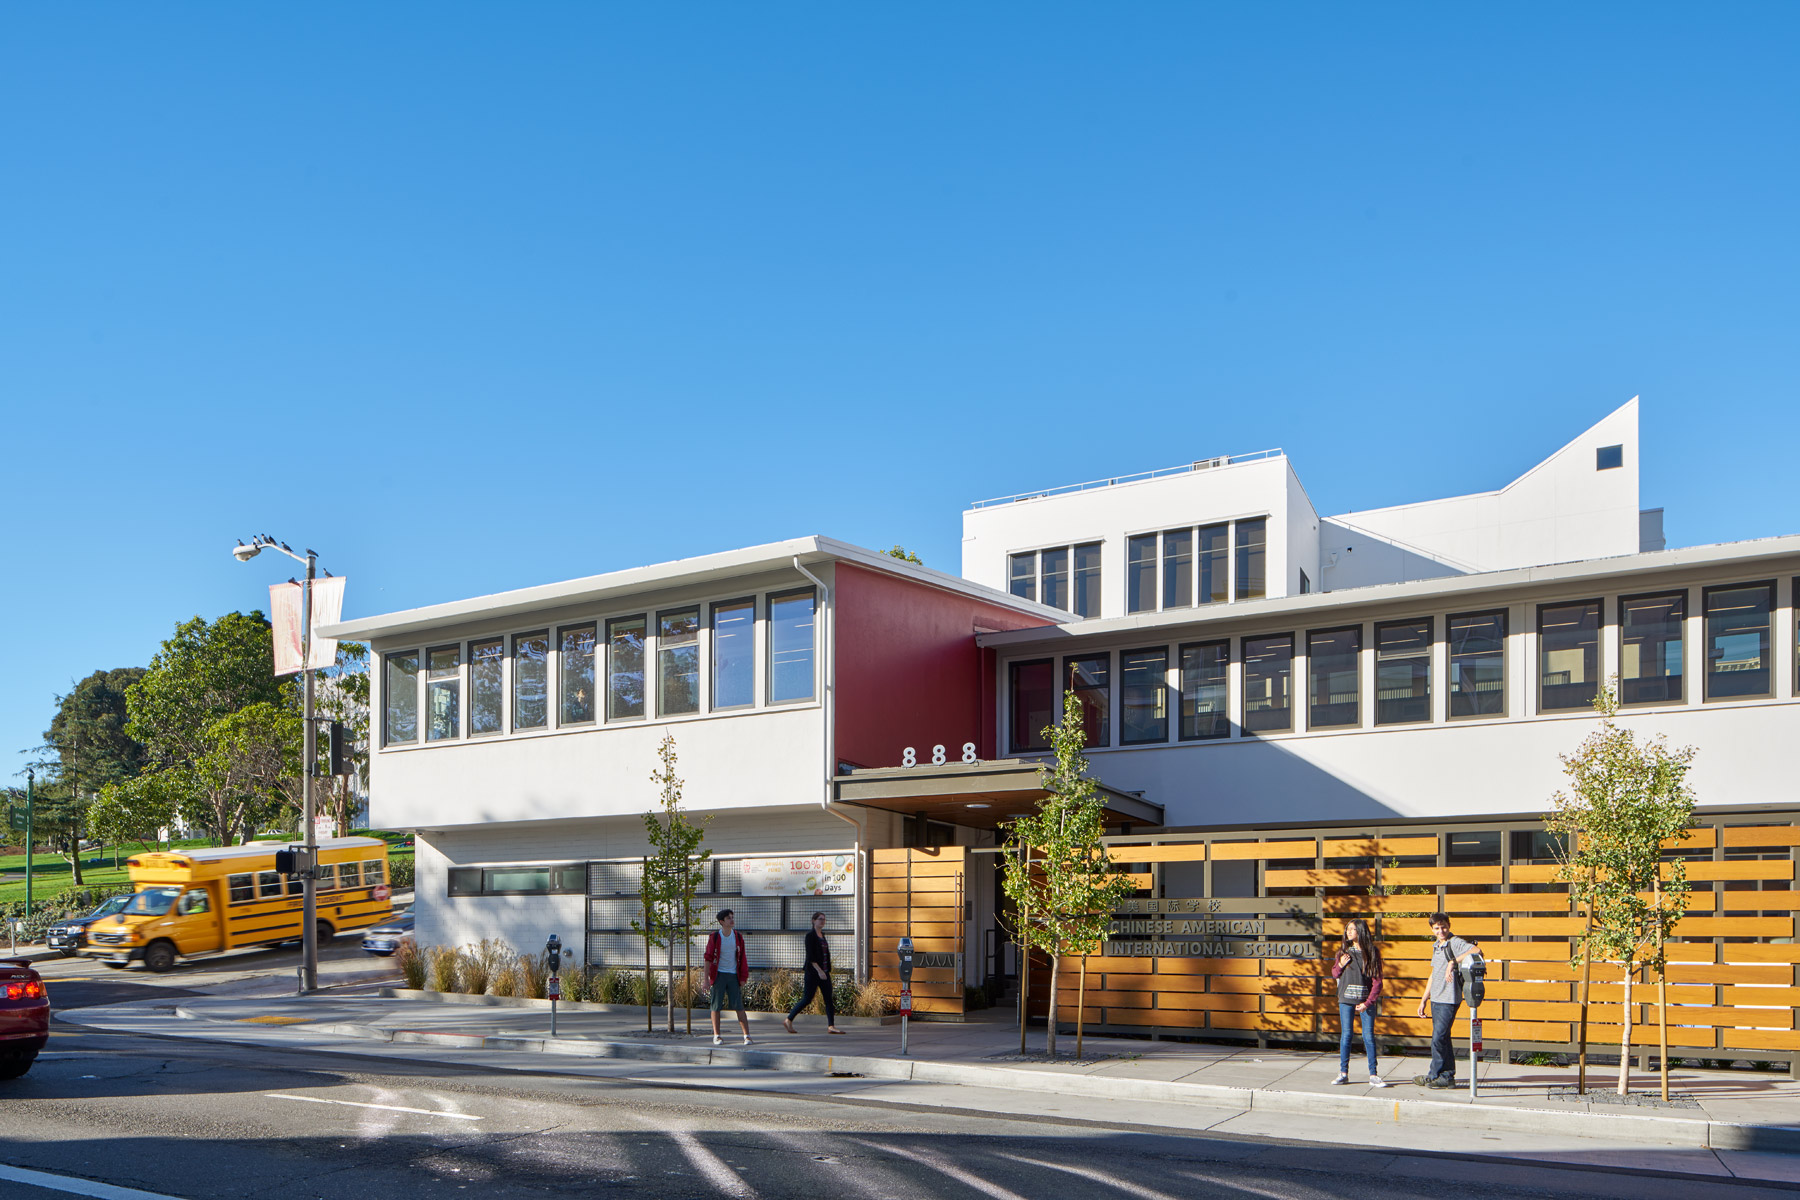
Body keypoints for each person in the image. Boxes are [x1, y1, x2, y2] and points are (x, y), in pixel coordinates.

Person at [1413, 912, 1481, 1089]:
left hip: (1449, 998)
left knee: (1438, 1038)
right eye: (1437, 928)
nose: (1441, 930)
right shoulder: (1437, 946)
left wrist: (1453, 962)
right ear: (1432, 929)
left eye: (1443, 926)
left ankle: (1436, 1075)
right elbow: (1433, 975)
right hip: (1436, 997)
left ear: (1449, 925)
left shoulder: (1454, 942)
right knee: (1443, 1038)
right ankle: (1446, 1076)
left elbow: (1477, 951)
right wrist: (1423, 999)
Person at [1330, 917, 1386, 1087]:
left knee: (1368, 1036)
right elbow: (1334, 974)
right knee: (1346, 1035)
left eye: (1352, 929)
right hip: (1346, 999)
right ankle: (1343, 1073)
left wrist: (1367, 1003)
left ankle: (1373, 1074)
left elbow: (1378, 981)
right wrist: (1340, 964)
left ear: (1360, 931)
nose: (1348, 932)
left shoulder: (1372, 952)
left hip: (1365, 1001)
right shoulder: (1343, 952)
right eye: (1347, 929)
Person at [784, 911, 846, 1035]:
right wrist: (819, 971)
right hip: (813, 973)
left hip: (824, 972)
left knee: (828, 999)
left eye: (824, 919)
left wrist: (826, 970)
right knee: (807, 998)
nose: (822, 921)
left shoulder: (822, 935)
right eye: (820, 919)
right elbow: (810, 957)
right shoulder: (810, 936)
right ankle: (788, 1019)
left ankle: (831, 1026)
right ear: (813, 921)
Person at [704, 908, 753, 1046]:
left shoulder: (737, 937)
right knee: (716, 1006)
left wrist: (743, 977)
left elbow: (742, 957)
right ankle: (717, 1035)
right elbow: (707, 958)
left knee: (738, 1006)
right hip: (718, 975)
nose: (732, 920)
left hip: (733, 975)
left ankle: (747, 1036)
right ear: (721, 922)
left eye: (732, 917)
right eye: (728, 918)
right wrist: (706, 980)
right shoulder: (714, 937)